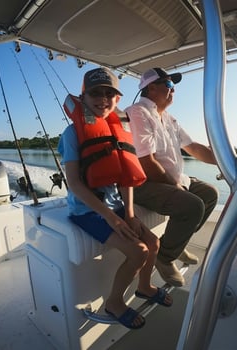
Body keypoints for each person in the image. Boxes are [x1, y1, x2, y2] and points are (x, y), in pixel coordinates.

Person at [58, 67, 173, 330]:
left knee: (153, 243)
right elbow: (75, 183)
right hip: (87, 211)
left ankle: (144, 286)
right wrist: (111, 218)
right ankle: (114, 302)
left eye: (109, 94)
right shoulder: (72, 134)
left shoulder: (119, 130)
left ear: (118, 99)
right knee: (138, 252)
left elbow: (125, 179)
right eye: (96, 93)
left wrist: (129, 214)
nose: (103, 99)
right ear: (83, 97)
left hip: (117, 207)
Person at [125, 67, 219, 287]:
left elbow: (193, 147)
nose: (173, 90)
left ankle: (176, 243)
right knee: (192, 206)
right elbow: (146, 163)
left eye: (173, 86)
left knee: (210, 194)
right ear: (151, 88)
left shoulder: (168, 118)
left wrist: (223, 161)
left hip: (169, 179)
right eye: (168, 85)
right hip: (143, 183)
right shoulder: (138, 113)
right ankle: (164, 257)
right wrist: (175, 185)